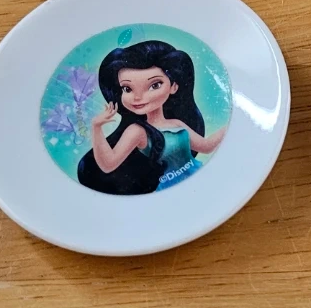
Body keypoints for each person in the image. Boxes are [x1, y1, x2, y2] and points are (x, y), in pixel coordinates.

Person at [77, 40, 225, 194]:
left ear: (173, 86)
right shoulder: (137, 131)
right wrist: (96, 127)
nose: (138, 97)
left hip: (199, 175)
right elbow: (108, 165)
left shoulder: (176, 123)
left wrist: (231, 126)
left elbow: (206, 146)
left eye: (155, 85)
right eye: (127, 89)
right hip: (169, 190)